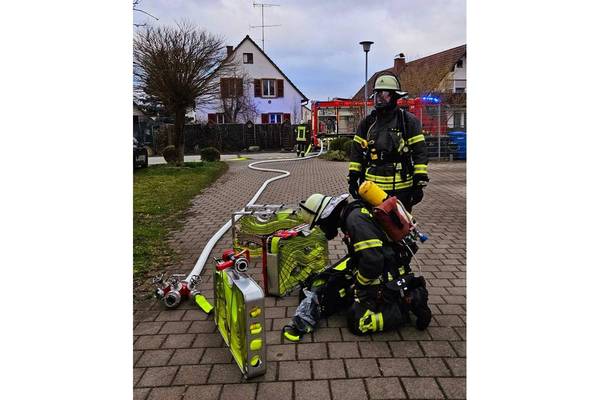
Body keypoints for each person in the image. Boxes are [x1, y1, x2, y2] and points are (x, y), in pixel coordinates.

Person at [291, 192, 432, 337]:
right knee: (340, 287)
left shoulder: (355, 221)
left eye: (320, 223)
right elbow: (361, 255)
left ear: (326, 216)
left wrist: (359, 286)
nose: (322, 228)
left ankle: (410, 302)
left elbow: (373, 262)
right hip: (385, 262)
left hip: (388, 270)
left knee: (359, 323)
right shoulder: (353, 212)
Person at [348, 73, 429, 212]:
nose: (379, 98)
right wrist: (353, 178)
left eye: (384, 94)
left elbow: (420, 153)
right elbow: (356, 153)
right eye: (377, 94)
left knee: (398, 224)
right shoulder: (367, 123)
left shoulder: (408, 121)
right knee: (371, 223)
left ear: (395, 97)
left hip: (401, 189)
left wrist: (419, 182)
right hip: (371, 189)